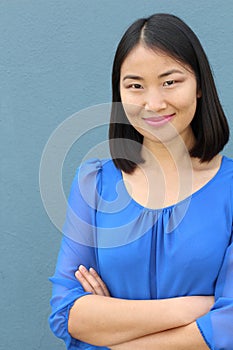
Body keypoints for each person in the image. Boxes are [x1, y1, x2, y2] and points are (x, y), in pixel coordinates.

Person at [49, 13, 233, 349]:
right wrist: (197, 308)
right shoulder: (94, 183)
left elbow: (229, 328)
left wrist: (110, 326)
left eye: (170, 81)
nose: (153, 103)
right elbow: (67, 313)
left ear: (200, 84)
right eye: (135, 85)